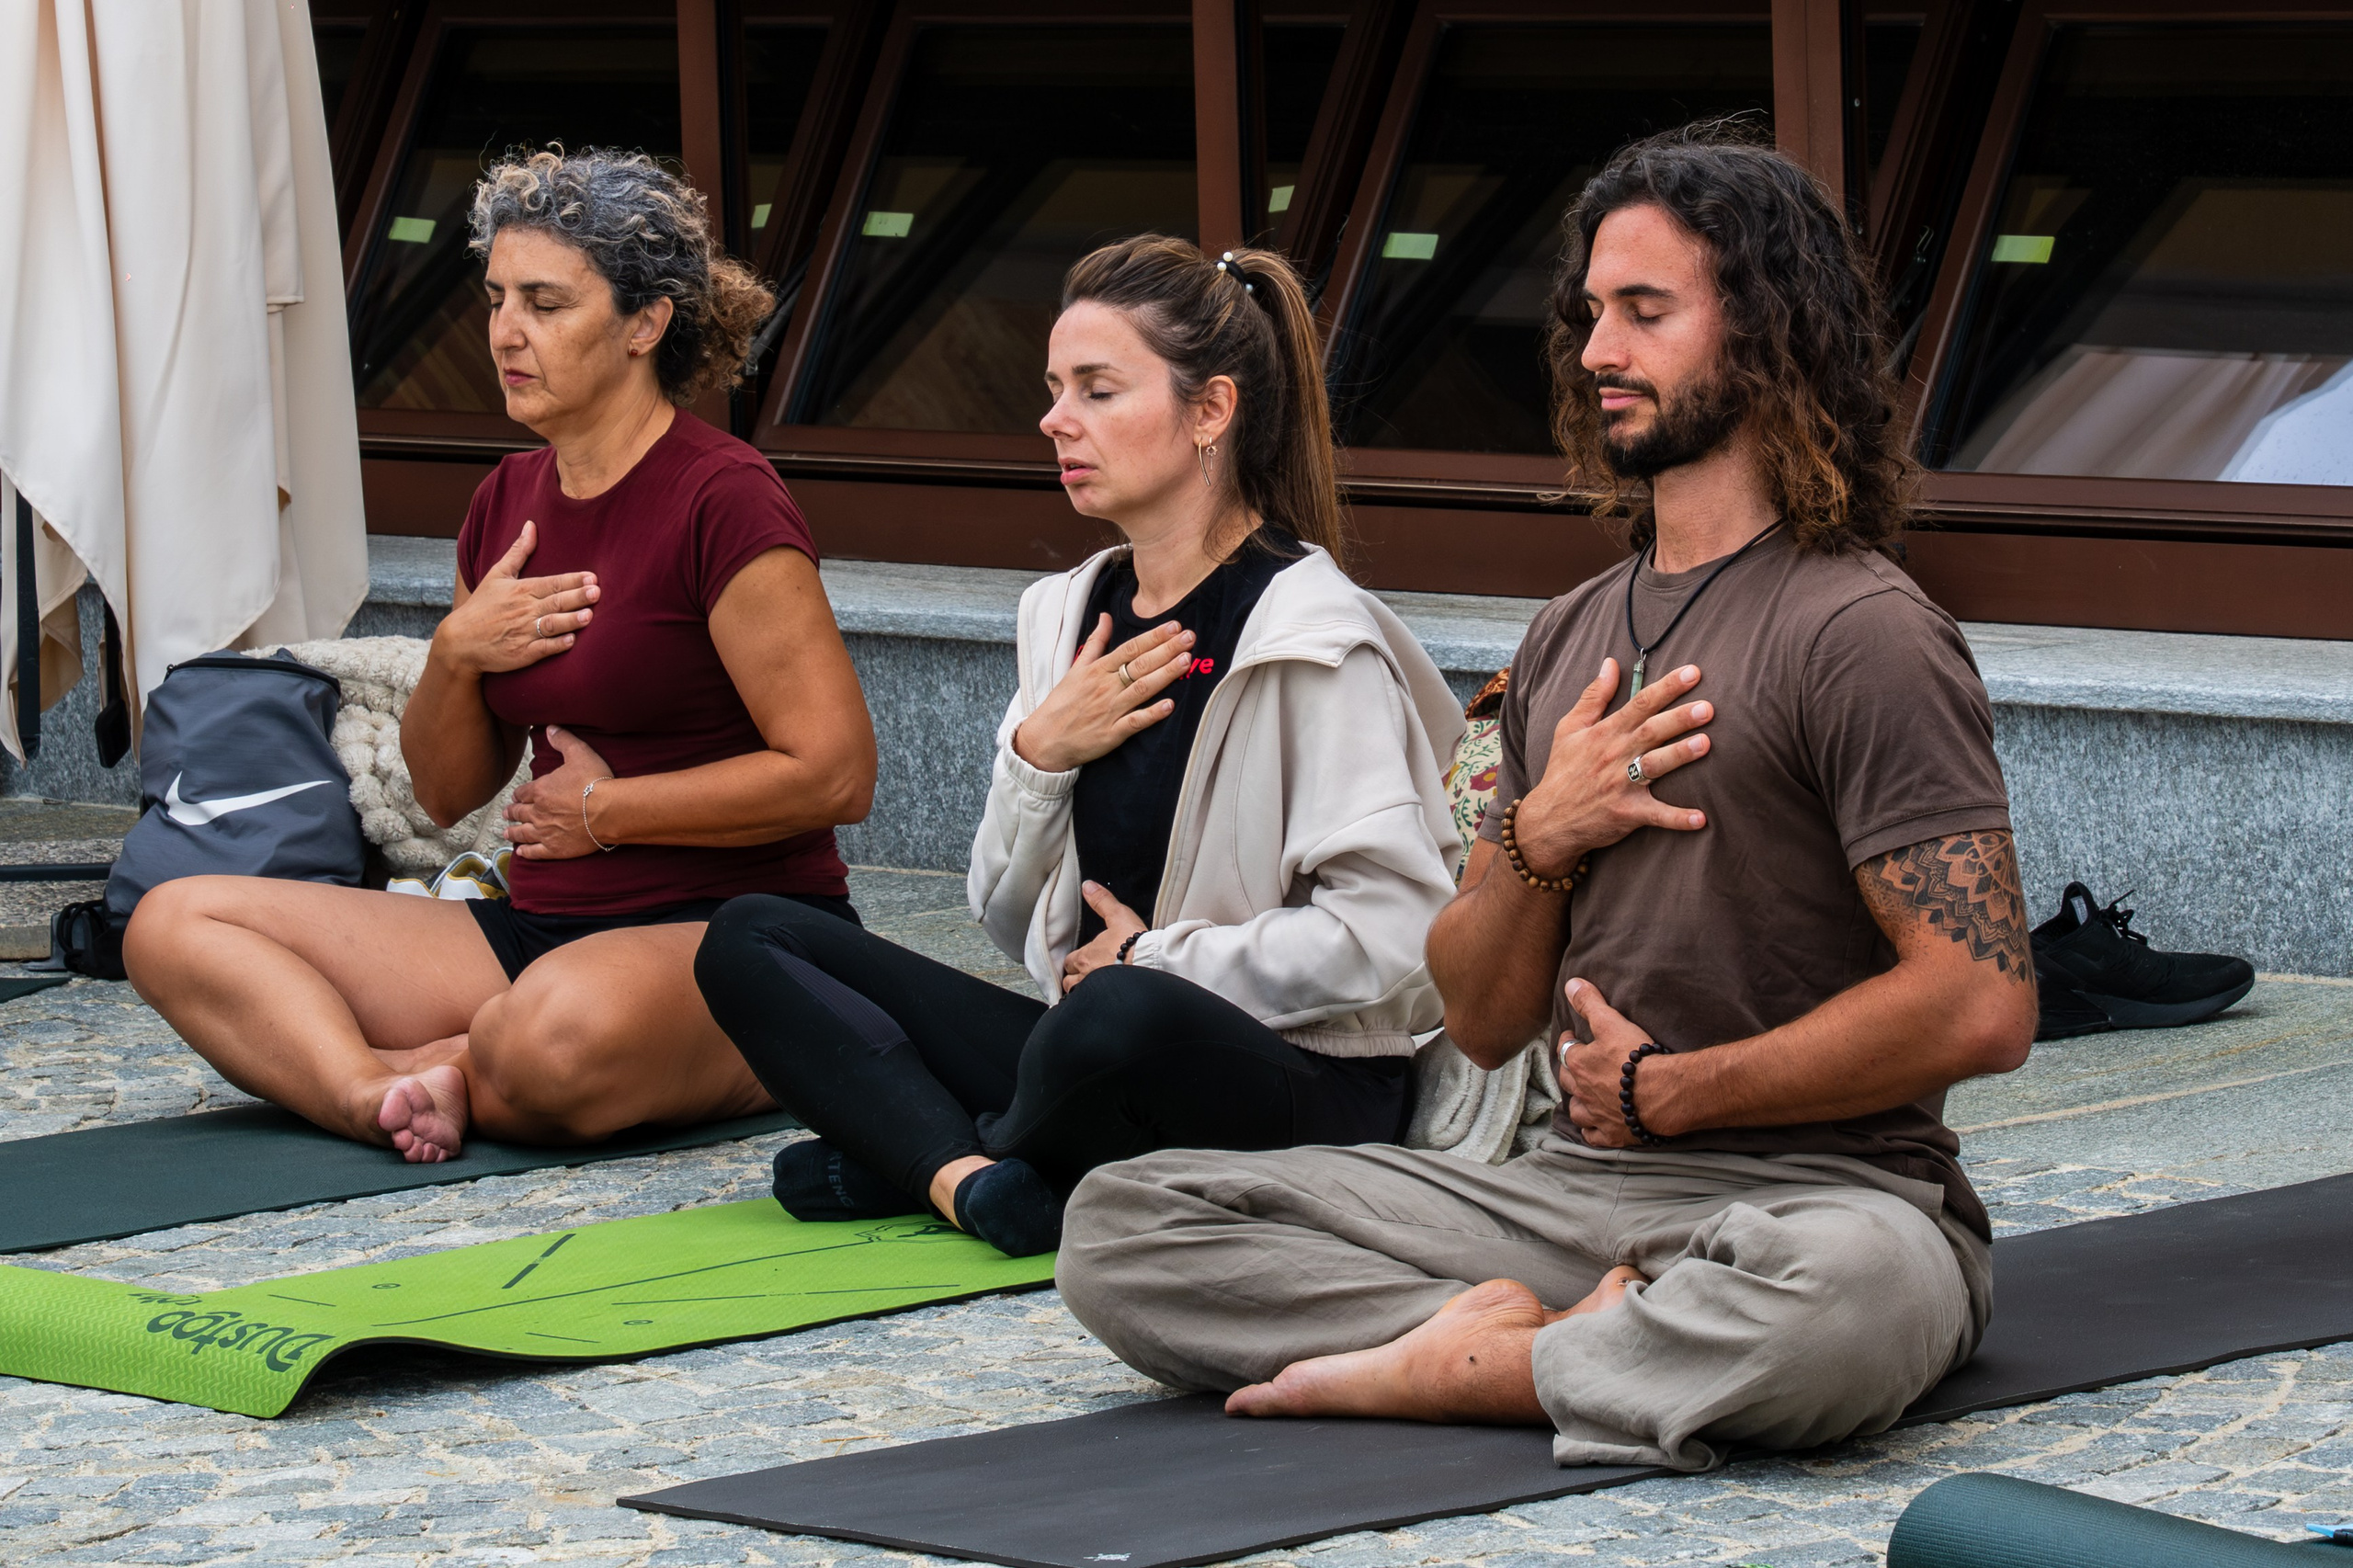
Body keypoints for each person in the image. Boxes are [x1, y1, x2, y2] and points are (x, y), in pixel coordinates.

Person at [1055, 126, 2040, 1471]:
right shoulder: (1572, 634)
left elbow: (1981, 1002)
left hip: (1830, 1200)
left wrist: (1678, 1092)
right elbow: (1478, 1009)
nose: (1595, 352)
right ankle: (1571, 1347)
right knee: (1125, 1225)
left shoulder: (1862, 628)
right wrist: (1538, 836)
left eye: (1645, 311)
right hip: (1570, 1194)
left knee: (1841, 1309)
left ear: (1765, 331)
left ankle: (1478, 1362)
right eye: (1588, 315)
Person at [693, 236, 1465, 1258]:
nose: (1057, 419)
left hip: (1293, 1080)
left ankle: (927, 1150)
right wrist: (1037, 755)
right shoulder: (1065, 614)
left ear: (1210, 411)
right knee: (751, 934)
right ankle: (979, 1179)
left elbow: (1401, 933)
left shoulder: (1312, 637)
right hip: (1091, 1049)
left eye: (1098, 390)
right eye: (1056, 388)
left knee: (1121, 1014)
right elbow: (1005, 918)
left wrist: (1156, 959)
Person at [124, 147, 877, 1162]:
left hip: (735, 931)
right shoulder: (505, 501)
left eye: (547, 304)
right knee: (174, 923)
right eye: (496, 299)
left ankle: (449, 1059)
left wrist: (607, 812)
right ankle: (371, 1090)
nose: (506, 333)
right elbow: (444, 793)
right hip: (537, 929)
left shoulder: (722, 497)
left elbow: (835, 773)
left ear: (644, 324)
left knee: (550, 1037)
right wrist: (454, 653)